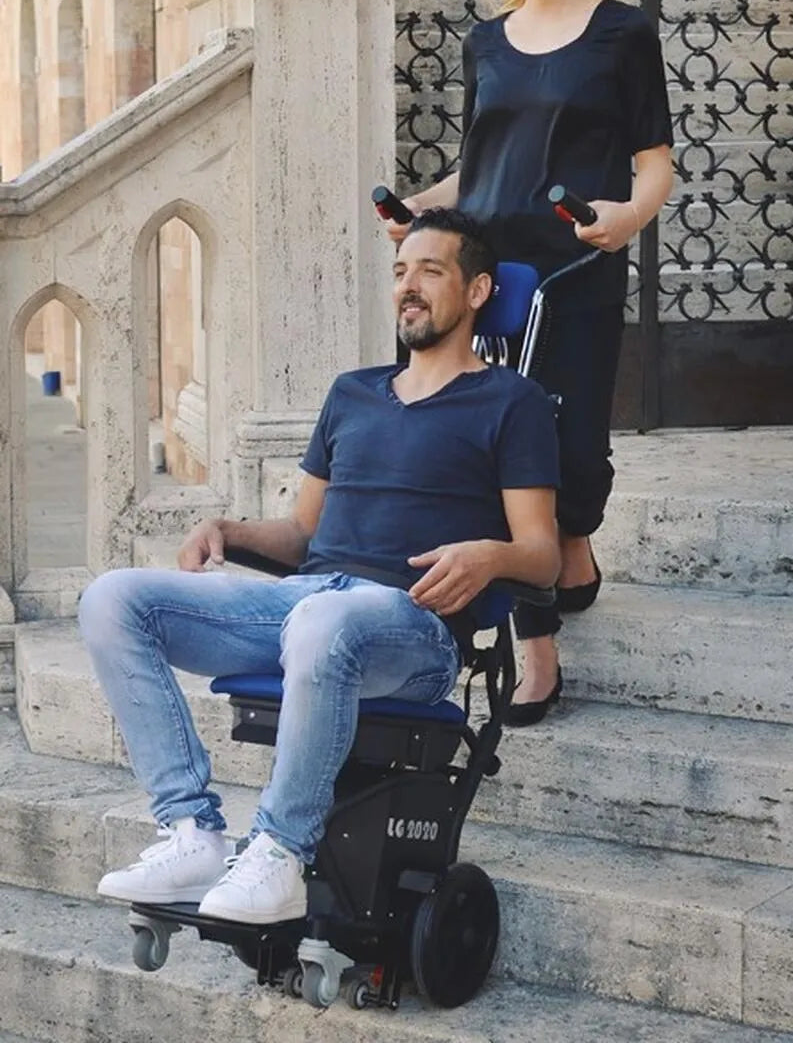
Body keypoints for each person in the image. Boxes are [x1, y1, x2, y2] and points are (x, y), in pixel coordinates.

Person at [79, 208, 560, 926]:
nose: (408, 286)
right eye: (400, 272)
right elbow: (303, 535)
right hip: (308, 602)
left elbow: (543, 557)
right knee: (114, 599)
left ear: (479, 290)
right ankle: (191, 832)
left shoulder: (511, 402)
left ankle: (278, 850)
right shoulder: (351, 392)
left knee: (323, 619)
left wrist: (488, 555)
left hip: (414, 626)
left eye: (430, 271)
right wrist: (228, 529)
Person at [384, 0, 674, 727]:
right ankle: (535, 646)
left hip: (573, 267)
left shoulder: (622, 34)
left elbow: (653, 165)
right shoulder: (484, 42)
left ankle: (572, 542)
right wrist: (418, 210)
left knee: (568, 445)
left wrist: (627, 218)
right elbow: (478, 170)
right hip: (485, 271)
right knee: (497, 450)